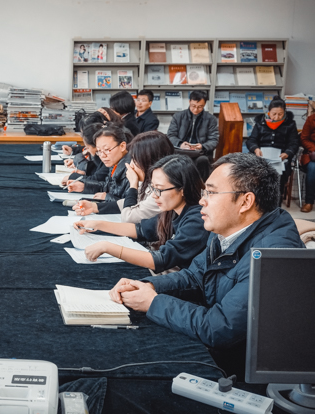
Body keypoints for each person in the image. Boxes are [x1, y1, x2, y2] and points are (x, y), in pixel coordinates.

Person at [108, 153, 303, 375]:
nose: (202, 201)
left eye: (211, 192)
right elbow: (193, 276)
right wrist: (149, 286)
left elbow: (220, 328)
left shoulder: (271, 256)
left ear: (245, 202)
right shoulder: (226, 230)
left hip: (242, 372)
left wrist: (153, 302)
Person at [75, 155, 207, 274]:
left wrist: (107, 247)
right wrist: (97, 224)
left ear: (182, 189)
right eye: (153, 188)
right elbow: (140, 230)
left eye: (159, 189)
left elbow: (161, 259)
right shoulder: (173, 210)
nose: (154, 195)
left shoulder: (197, 220)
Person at [246, 95, 299, 204]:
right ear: (269, 112)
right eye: (274, 114)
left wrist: (287, 153)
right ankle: (258, 206)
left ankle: (275, 207)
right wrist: (256, 149)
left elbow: (294, 143)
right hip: (261, 157)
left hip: (280, 159)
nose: (276, 117)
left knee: (277, 183)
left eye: (280, 114)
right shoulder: (260, 122)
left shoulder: (290, 124)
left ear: (284, 113)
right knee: (256, 180)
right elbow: (251, 140)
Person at [71, 126, 132, 214]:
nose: (102, 155)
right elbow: (108, 186)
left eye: (107, 150)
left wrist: (107, 197)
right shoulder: (116, 163)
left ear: (122, 146)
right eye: (99, 151)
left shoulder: (132, 168)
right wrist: (84, 186)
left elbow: (132, 204)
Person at [118, 131, 175, 223]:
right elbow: (133, 201)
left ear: (150, 162)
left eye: (135, 161)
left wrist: (133, 185)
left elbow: (129, 217)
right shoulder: (148, 182)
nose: (131, 165)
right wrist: (97, 207)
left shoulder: (162, 190)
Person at [167, 90, 218, 181]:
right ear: (189, 101)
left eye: (200, 107)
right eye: (193, 106)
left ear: (204, 104)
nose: (196, 109)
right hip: (180, 151)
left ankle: (201, 186)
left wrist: (202, 146)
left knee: (203, 160)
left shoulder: (211, 119)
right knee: (173, 160)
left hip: (200, 153)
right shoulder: (178, 116)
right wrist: (180, 144)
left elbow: (214, 140)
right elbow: (171, 136)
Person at [300, 112, 315, 212]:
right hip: (312, 155)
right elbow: (303, 138)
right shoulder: (311, 119)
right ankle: (309, 201)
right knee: (312, 168)